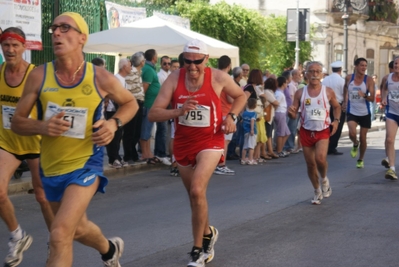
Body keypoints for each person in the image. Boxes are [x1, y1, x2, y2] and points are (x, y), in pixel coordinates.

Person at [11, 12, 138, 266]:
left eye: (64, 28)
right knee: (76, 230)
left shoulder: (99, 77)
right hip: (51, 167)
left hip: (85, 165)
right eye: (54, 28)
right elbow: (16, 123)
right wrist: (43, 126)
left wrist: (113, 123)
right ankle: (109, 249)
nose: (56, 33)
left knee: (58, 235)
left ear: (82, 38)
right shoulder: (39, 76)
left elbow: (131, 103)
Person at [148, 39, 246, 267]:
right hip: (182, 143)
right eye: (187, 62)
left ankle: (197, 250)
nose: (192, 67)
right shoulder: (174, 78)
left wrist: (232, 116)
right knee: (195, 198)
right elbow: (153, 114)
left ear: (206, 60)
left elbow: (241, 96)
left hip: (210, 141)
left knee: (197, 189)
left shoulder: (219, 77)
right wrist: (179, 111)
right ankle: (208, 233)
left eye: (197, 62)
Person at [0, 26, 54, 267]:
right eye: (6, 45)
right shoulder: (0, 72)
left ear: (24, 47)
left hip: (37, 143)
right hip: (7, 142)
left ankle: (56, 242)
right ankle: (18, 236)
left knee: (42, 197)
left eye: (15, 45)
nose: (10, 50)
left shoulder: (36, 74)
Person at [288, 61, 341, 205]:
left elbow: (337, 107)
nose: (315, 74)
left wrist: (336, 121)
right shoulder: (300, 92)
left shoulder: (328, 91)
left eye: (318, 71)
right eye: (312, 71)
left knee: (320, 159)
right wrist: (291, 112)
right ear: (306, 73)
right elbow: (294, 112)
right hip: (306, 130)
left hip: (322, 130)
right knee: (310, 164)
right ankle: (317, 190)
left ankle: (324, 179)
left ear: (322, 74)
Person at [343, 58, 375, 168]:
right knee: (352, 133)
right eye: (362, 65)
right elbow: (345, 90)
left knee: (363, 138)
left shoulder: (369, 80)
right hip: (352, 111)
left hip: (365, 112)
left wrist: (365, 96)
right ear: (356, 66)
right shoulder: (348, 78)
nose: (364, 68)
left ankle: (360, 159)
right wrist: (344, 102)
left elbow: (372, 98)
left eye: (365, 66)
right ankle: (355, 144)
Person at [105, 58, 131, 168]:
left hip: (120, 110)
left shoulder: (124, 79)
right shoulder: (116, 79)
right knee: (114, 135)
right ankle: (113, 158)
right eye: (129, 65)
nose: (131, 68)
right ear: (124, 67)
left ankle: (117, 157)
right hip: (113, 110)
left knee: (119, 135)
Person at [214, 55, 235, 175]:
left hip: (216, 111)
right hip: (226, 112)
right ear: (229, 65)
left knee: (217, 140)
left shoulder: (214, 76)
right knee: (224, 141)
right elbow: (230, 98)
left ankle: (215, 164)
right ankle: (221, 165)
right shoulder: (226, 78)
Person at [124, 52, 145, 164]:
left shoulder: (137, 72)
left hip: (139, 102)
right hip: (133, 102)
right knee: (130, 130)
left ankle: (133, 153)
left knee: (136, 130)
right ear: (141, 62)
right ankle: (128, 155)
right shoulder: (131, 72)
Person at [380, 56, 399, 180]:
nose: (397, 65)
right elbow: (384, 88)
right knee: (390, 139)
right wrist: (383, 98)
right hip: (392, 112)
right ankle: (392, 169)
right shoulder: (388, 78)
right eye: (396, 63)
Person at [322, 61, 345, 155]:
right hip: (338, 105)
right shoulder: (342, 80)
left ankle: (325, 145)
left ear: (332, 69)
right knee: (337, 126)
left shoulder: (325, 79)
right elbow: (345, 93)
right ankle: (332, 147)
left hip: (326, 105)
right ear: (340, 70)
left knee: (326, 126)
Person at [274, 77, 290, 158]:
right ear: (283, 83)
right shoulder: (279, 93)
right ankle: (279, 151)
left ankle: (280, 148)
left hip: (282, 112)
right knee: (281, 133)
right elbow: (276, 104)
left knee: (287, 133)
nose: (287, 84)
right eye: (286, 82)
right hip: (280, 112)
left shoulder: (280, 92)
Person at [241, 98, 258, 165]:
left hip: (245, 131)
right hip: (251, 131)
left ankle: (243, 159)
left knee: (245, 145)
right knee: (251, 146)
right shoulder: (254, 113)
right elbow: (252, 121)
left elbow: (242, 120)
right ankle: (250, 159)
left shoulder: (244, 113)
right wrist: (252, 129)